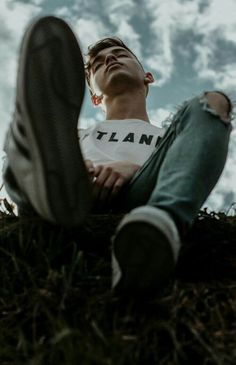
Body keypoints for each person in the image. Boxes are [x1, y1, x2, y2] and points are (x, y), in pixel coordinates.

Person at [3, 16, 233, 294]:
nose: (109, 60)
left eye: (119, 55)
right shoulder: (72, 135)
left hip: (141, 194)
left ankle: (158, 227)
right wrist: (79, 170)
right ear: (95, 97)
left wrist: (133, 169)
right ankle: (38, 163)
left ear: (147, 77)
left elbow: (185, 168)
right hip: (70, 198)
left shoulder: (175, 138)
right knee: (38, 148)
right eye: (98, 64)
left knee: (211, 103)